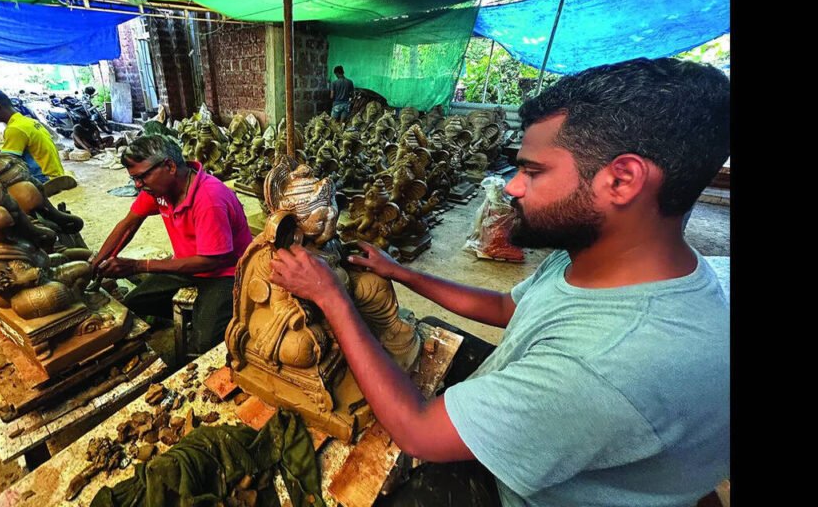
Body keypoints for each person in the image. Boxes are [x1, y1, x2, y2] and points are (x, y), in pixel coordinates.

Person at [269, 57, 730, 507]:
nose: (511, 187)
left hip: (522, 492)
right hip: (550, 416)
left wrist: (332, 298)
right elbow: (510, 310)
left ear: (622, 179)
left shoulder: (607, 366)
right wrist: (401, 271)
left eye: (532, 171)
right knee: (415, 326)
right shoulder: (601, 257)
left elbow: (419, 431)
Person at [91, 135, 253, 354]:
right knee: (136, 301)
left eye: (141, 177)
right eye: (134, 179)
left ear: (169, 166)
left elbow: (211, 261)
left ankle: (215, 318)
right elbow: (128, 225)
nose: (138, 185)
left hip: (226, 273)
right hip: (188, 265)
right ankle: (199, 317)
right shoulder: (160, 190)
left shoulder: (209, 199)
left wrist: (139, 266)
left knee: (204, 344)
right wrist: (98, 260)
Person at [0, 87, 66, 184]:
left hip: (45, 180)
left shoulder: (15, 129)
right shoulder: (29, 121)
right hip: (57, 174)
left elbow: (6, 164)